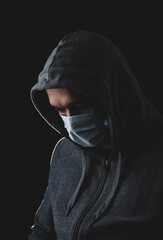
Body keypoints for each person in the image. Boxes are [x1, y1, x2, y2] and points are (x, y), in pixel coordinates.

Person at [28, 30, 163, 240]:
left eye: (80, 106)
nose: (71, 121)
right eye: (60, 111)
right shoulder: (64, 152)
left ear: (114, 91)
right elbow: (43, 230)